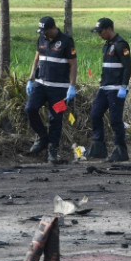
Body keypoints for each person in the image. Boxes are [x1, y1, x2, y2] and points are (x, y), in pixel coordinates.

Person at [25, 16, 77, 163]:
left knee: (55, 119)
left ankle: (52, 151)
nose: (44, 34)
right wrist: (30, 79)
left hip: (59, 89)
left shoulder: (66, 41)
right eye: (42, 32)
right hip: (40, 85)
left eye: (46, 31)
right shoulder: (41, 39)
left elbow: (73, 64)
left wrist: (72, 86)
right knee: (30, 109)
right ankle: (42, 137)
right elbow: (37, 59)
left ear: (53, 28)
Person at [85, 17, 131, 162]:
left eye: (101, 31)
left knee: (115, 120)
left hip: (117, 88)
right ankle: (98, 146)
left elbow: (127, 67)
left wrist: (123, 86)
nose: (99, 35)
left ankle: (120, 150)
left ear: (109, 29)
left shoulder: (121, 45)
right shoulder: (106, 46)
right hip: (105, 87)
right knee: (95, 114)